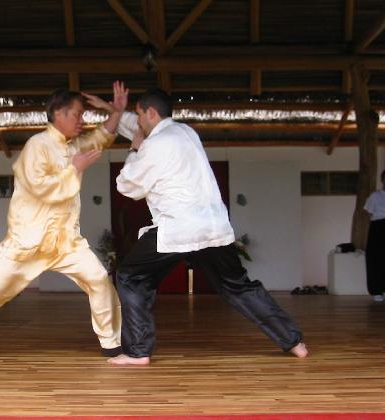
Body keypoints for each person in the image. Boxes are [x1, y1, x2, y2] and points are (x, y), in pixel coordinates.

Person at [86, 89, 308, 366]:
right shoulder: (186, 133)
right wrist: (114, 111)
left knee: (130, 277)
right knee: (238, 287)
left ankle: (138, 351)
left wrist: (133, 149)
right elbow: (138, 127)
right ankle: (294, 342)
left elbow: (128, 186)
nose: (138, 121)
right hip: (213, 228)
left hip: (177, 229)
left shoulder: (154, 145)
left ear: (151, 113)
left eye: (141, 114)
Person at [0, 81, 128, 361]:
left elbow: (102, 137)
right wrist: (74, 169)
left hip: (65, 242)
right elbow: (42, 188)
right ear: (59, 114)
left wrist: (118, 112)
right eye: (77, 113)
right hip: (27, 243)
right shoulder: (36, 146)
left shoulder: (73, 146)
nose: (82, 119)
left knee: (99, 279)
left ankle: (111, 343)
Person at [364, 170, 385, 302]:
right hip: (378, 227)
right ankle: (376, 291)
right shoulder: (375, 196)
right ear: (382, 181)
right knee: (376, 258)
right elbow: (368, 213)